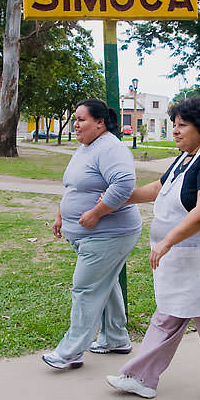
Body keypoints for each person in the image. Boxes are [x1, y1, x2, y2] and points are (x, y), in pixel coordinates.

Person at [105, 97, 200, 400]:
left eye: (182, 125)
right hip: (187, 254)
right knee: (169, 312)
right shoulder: (185, 158)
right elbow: (160, 188)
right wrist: (120, 198)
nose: (175, 131)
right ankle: (141, 378)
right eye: (174, 125)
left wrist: (168, 241)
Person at [42, 99, 142, 370]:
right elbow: (73, 186)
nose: (76, 124)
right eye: (75, 119)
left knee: (85, 288)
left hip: (109, 233)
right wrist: (61, 215)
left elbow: (123, 184)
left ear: (100, 123)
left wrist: (97, 212)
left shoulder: (111, 148)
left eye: (82, 119)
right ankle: (115, 338)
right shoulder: (86, 148)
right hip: (88, 234)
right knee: (105, 284)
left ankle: (70, 351)